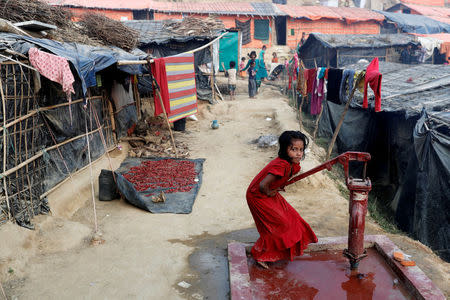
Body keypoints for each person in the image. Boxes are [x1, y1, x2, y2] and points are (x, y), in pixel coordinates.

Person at [246, 131, 318, 269]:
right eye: (294, 149)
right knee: (279, 225)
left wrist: (277, 187)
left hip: (268, 193)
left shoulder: (293, 165)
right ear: (285, 149)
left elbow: (276, 181)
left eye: (301, 150)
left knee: (293, 219)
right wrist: (270, 191)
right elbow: (262, 185)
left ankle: (275, 253)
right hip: (258, 196)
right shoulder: (282, 165)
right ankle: (261, 255)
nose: (298, 153)